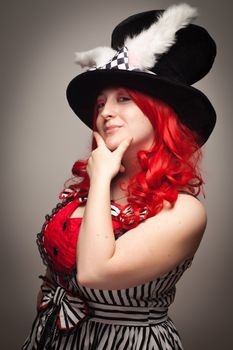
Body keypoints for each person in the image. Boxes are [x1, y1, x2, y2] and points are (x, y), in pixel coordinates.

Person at [22, 3, 216, 350]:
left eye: (124, 98)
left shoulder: (185, 211)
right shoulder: (87, 192)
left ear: (161, 115)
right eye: (100, 103)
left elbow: (95, 273)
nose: (105, 112)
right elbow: (57, 275)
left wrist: (99, 180)